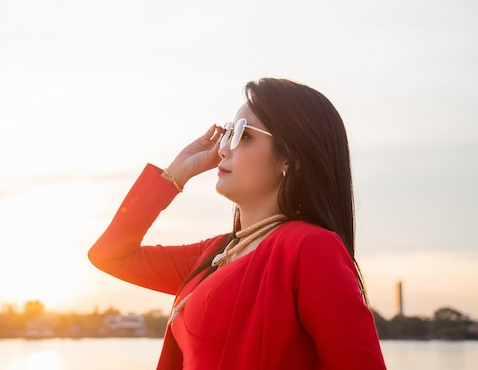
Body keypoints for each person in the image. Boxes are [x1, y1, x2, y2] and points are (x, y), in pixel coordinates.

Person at [88, 78, 387, 369]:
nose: (222, 149)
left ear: (291, 158)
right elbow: (111, 255)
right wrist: (176, 173)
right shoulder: (214, 255)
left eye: (243, 135)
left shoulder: (310, 248)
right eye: (227, 133)